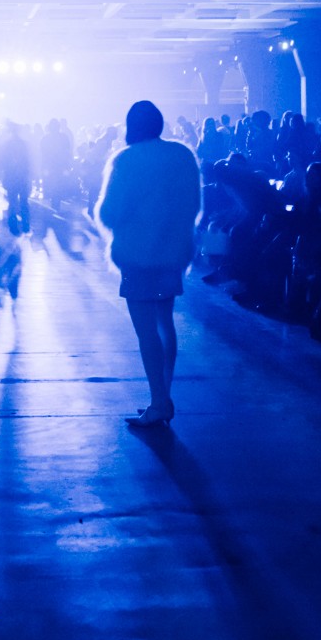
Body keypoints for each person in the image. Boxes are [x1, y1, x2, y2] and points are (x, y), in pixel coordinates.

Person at [97, 100, 201, 428]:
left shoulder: (126, 160)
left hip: (137, 254)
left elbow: (111, 212)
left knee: (146, 332)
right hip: (173, 254)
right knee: (164, 323)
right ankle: (163, 394)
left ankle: (159, 401)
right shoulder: (183, 155)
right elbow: (194, 205)